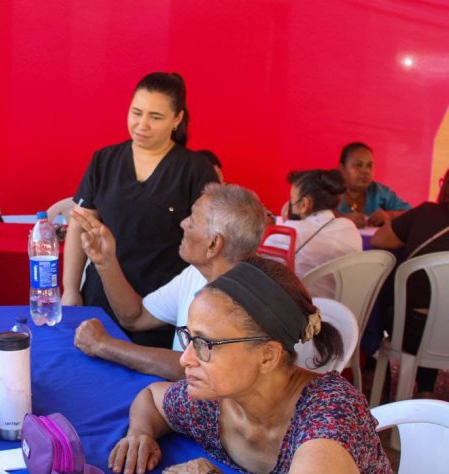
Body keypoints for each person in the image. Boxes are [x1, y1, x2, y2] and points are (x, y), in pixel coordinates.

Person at [109, 256, 433, 474]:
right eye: (189, 337)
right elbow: (152, 397)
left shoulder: (330, 412)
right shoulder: (216, 401)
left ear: (268, 356)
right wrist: (140, 433)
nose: (186, 358)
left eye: (205, 344)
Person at [62, 72, 217, 348]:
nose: (141, 125)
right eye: (136, 113)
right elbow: (78, 224)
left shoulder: (195, 169)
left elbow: (209, 242)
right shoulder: (104, 160)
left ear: (177, 119)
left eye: (155, 117)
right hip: (101, 299)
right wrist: (71, 289)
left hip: (159, 308)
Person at [71, 182, 265, 380]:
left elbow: (198, 370)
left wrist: (104, 345)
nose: (183, 223)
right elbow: (135, 317)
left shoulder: (244, 298)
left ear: (213, 243)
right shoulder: (195, 274)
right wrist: (107, 262)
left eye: (192, 219)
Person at [369, 167, 449, 397]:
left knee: (393, 304)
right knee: (438, 309)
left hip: (412, 330)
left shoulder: (426, 213)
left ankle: (379, 388)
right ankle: (426, 389)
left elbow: (379, 238)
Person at [266, 169, 362, 297]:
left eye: (292, 199)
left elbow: (262, 274)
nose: (289, 205)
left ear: (305, 204)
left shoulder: (288, 234)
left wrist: (269, 229)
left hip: (305, 312)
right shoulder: (349, 228)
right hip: (345, 313)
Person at [336, 142, 410, 228]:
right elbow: (317, 219)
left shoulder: (380, 192)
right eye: (358, 165)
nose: (366, 171)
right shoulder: (329, 191)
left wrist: (389, 215)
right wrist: (341, 220)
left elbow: (413, 214)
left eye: (369, 165)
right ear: (342, 168)